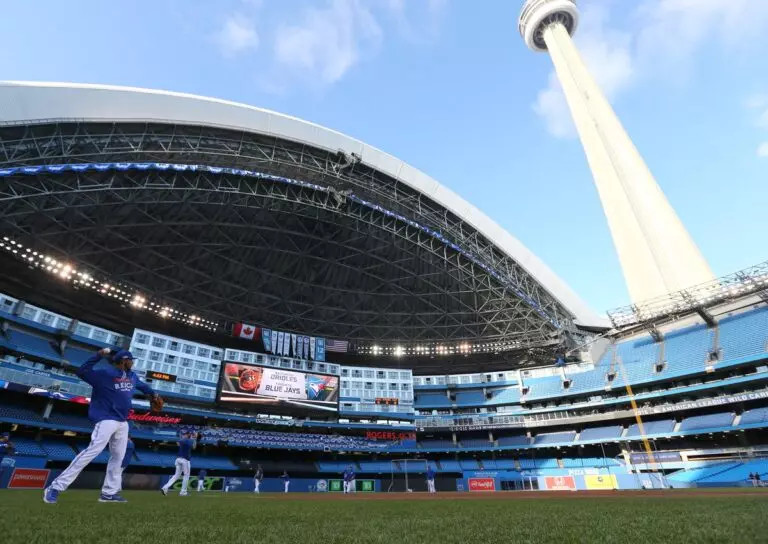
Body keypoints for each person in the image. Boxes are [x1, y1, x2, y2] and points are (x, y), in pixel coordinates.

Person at [44, 348, 161, 504]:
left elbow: (143, 386)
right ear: (124, 361)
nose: (133, 363)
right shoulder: (104, 374)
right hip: (106, 419)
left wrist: (153, 394)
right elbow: (82, 371)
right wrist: (98, 355)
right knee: (92, 452)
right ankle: (55, 487)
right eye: (131, 360)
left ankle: (108, 493)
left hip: (123, 422)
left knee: (118, 458)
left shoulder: (132, 376)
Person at [161, 431, 197, 497]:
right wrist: (194, 438)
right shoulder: (188, 440)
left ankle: (165, 488)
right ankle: (183, 492)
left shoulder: (182, 440)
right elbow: (194, 447)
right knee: (186, 476)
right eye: (187, 434)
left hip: (178, 459)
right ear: (188, 435)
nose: (185, 435)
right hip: (185, 460)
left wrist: (193, 438)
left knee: (176, 475)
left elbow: (183, 443)